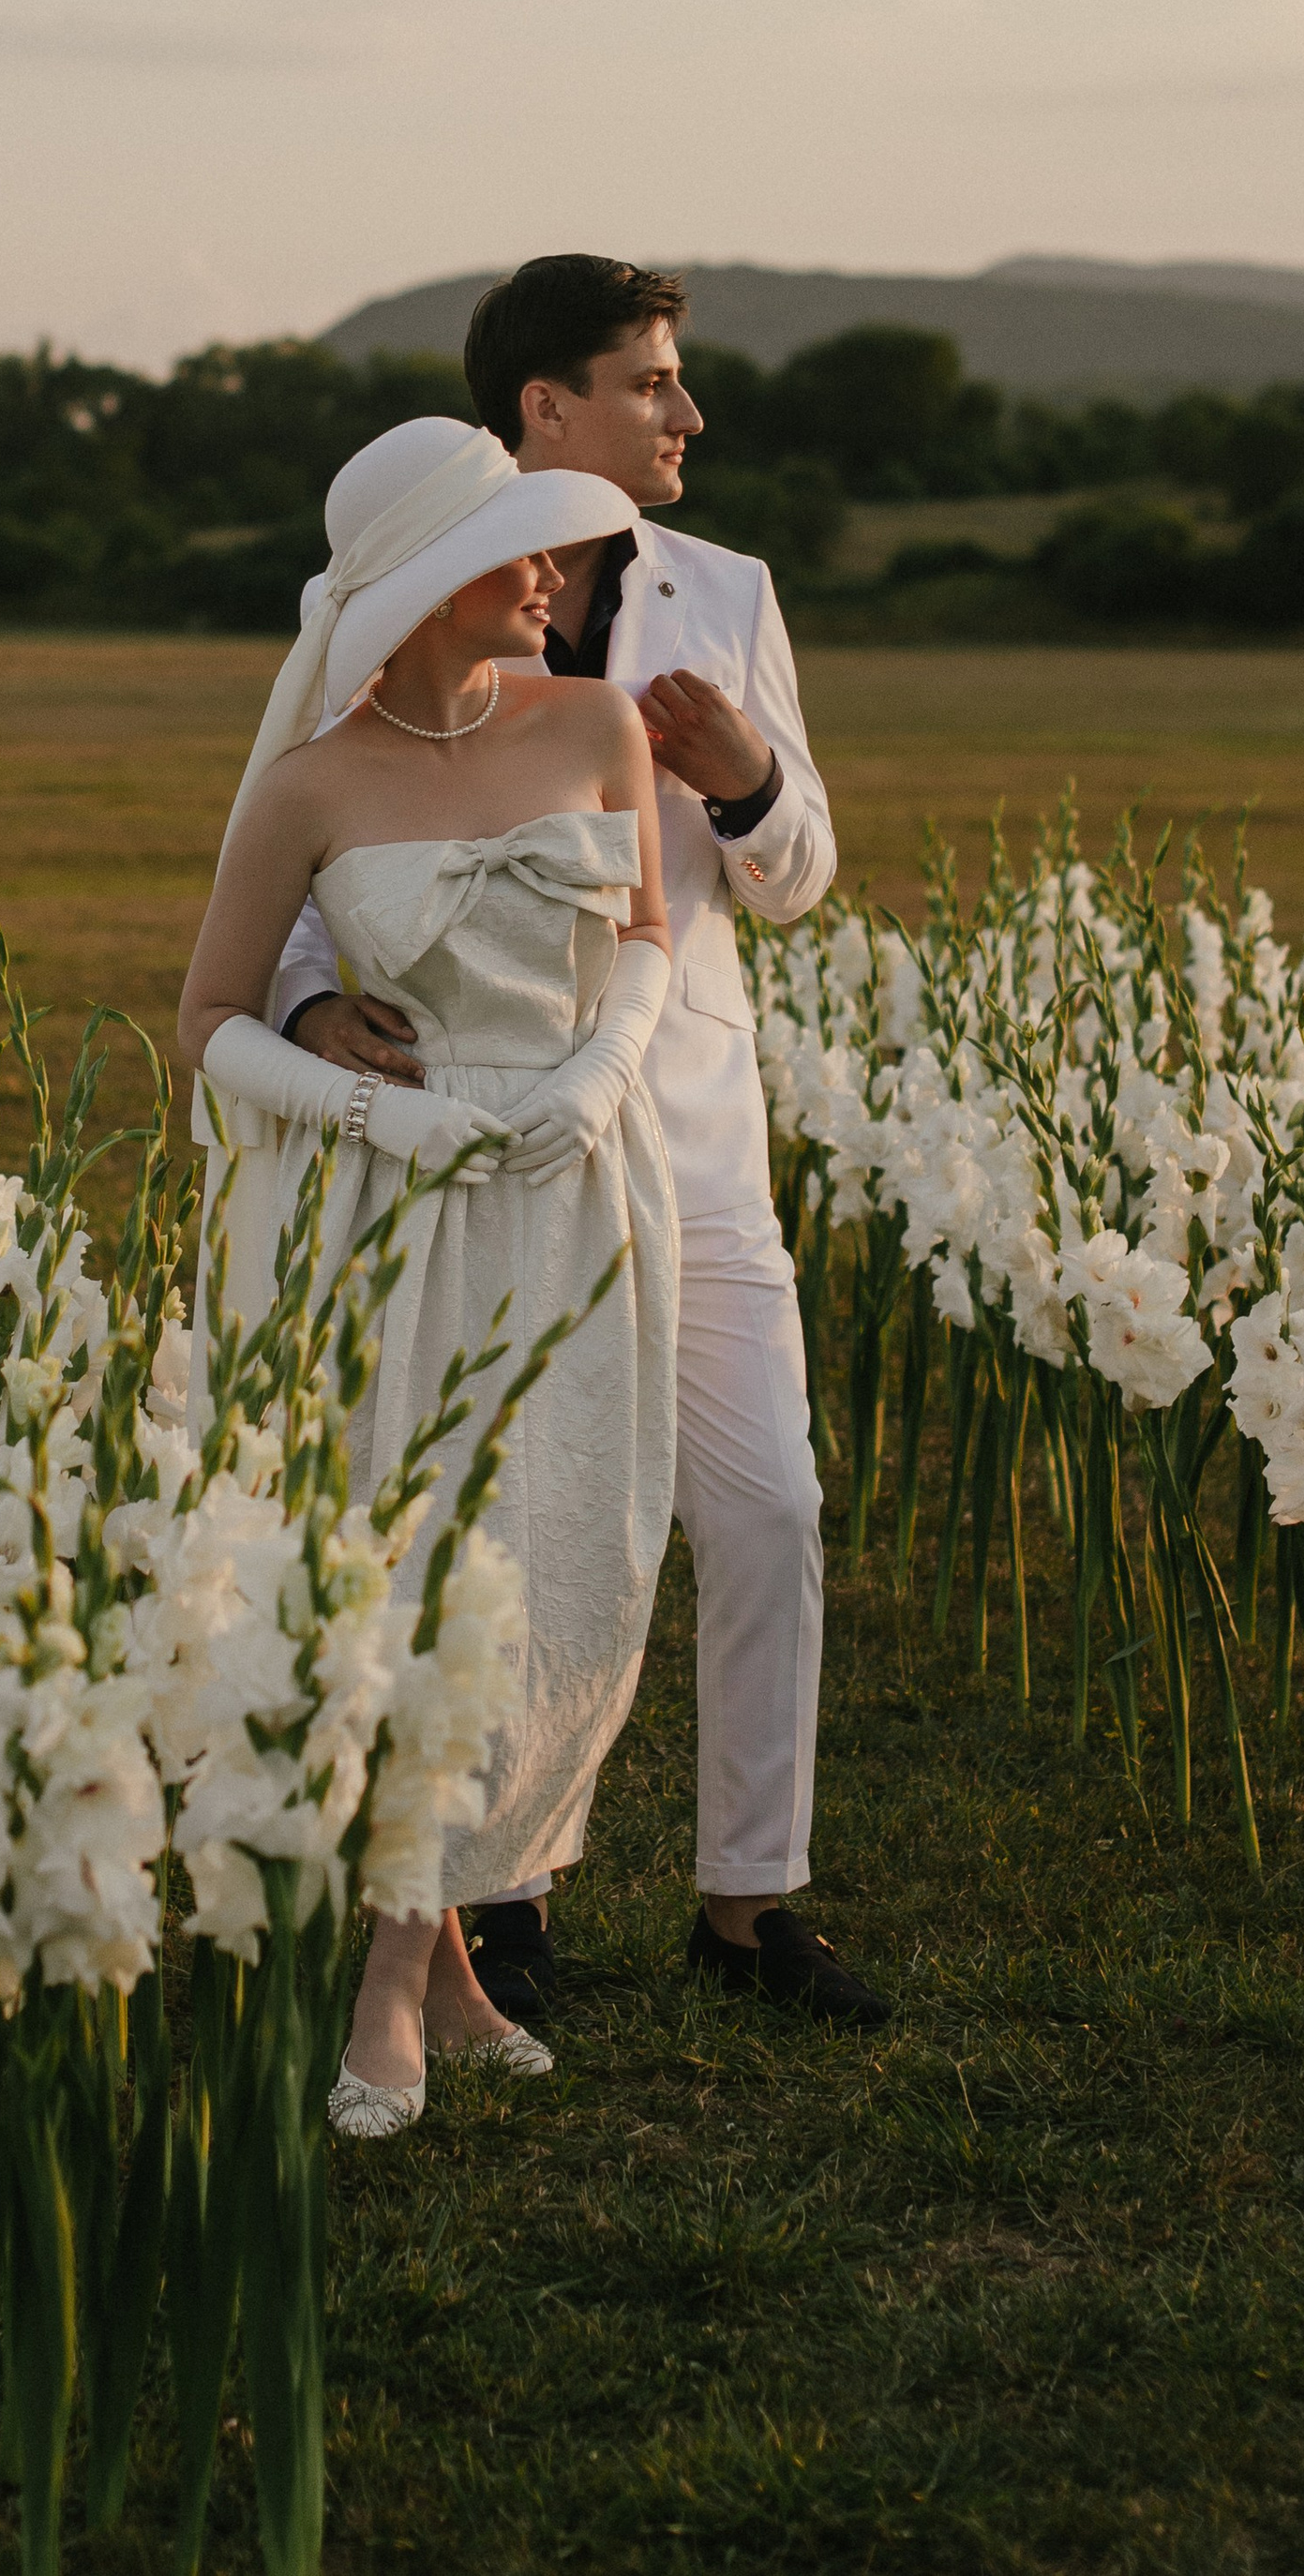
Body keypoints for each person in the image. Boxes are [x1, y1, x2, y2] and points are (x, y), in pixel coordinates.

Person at [278, 258, 889, 2029]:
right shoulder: (409, 580)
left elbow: (800, 881)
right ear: (544, 408)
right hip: (492, 1151)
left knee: (766, 1503)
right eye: (650, 382)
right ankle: (505, 1895)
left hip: (686, 1131)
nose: (687, 415)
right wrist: (311, 1009)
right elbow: (328, 834)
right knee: (516, 1513)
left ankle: (749, 1896)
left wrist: (753, 778)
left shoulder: (731, 592)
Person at [178, 414, 682, 2140]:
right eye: (525, 551)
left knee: (547, 1556)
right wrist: (368, 1116)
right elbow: (210, 1021)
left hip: (569, 1181)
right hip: (389, 1205)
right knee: (410, 1564)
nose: (562, 573)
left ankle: (452, 1957)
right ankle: (398, 1974)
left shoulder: (598, 720)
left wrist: (599, 1079)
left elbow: (647, 941)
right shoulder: (312, 783)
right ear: (423, 586)